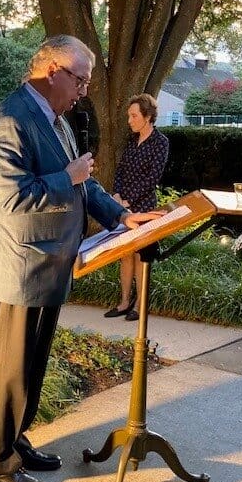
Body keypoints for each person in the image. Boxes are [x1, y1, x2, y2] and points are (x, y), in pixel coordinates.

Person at [0, 35, 163, 482]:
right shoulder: (11, 119)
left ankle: (15, 441)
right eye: (80, 79)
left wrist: (120, 215)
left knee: (32, 365)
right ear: (53, 69)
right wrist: (69, 177)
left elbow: (84, 180)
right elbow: (15, 196)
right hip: (21, 265)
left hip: (50, 261)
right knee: (12, 369)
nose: (83, 90)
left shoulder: (53, 117)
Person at [104, 93, 169, 320]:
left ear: (148, 116)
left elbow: (152, 178)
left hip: (144, 209)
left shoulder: (160, 143)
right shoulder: (131, 142)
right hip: (124, 207)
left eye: (134, 116)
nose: (129, 120)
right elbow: (120, 171)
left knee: (142, 257)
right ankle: (123, 302)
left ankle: (139, 306)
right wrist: (117, 196)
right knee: (125, 254)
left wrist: (128, 200)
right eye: (129, 116)